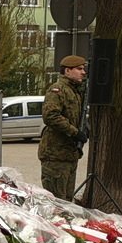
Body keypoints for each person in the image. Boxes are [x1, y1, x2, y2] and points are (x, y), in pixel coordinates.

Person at [38, 55, 88, 200]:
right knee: (57, 203)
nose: (83, 72)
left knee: (66, 200)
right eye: (79, 69)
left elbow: (74, 117)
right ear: (67, 71)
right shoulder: (58, 89)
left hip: (69, 154)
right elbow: (50, 116)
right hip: (55, 155)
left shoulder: (74, 92)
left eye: (83, 69)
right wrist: (75, 132)